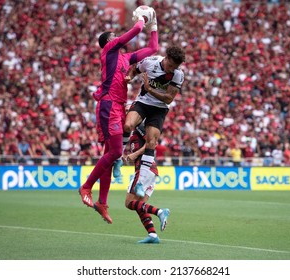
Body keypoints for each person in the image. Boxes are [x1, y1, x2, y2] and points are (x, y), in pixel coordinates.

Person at [79, 9, 159, 224]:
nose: (116, 38)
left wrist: (154, 27)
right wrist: (142, 19)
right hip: (108, 105)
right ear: (107, 43)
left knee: (111, 154)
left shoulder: (126, 58)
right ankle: (86, 186)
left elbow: (153, 48)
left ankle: (102, 202)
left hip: (118, 106)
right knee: (115, 151)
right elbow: (134, 31)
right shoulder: (108, 51)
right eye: (113, 36)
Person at [123, 45, 186, 197]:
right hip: (143, 103)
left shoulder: (178, 74)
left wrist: (150, 89)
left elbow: (169, 99)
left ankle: (141, 183)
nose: (171, 69)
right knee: (128, 125)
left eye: (174, 67)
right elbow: (134, 69)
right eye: (170, 65)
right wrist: (129, 77)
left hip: (159, 108)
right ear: (166, 58)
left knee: (152, 142)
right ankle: (118, 158)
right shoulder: (150, 62)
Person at [123, 120, 170, 243]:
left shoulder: (140, 126)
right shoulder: (131, 130)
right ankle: (153, 235)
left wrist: (135, 154)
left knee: (129, 203)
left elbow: (151, 143)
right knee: (140, 206)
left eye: (129, 108)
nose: (127, 111)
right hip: (150, 171)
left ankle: (160, 212)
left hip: (145, 169)